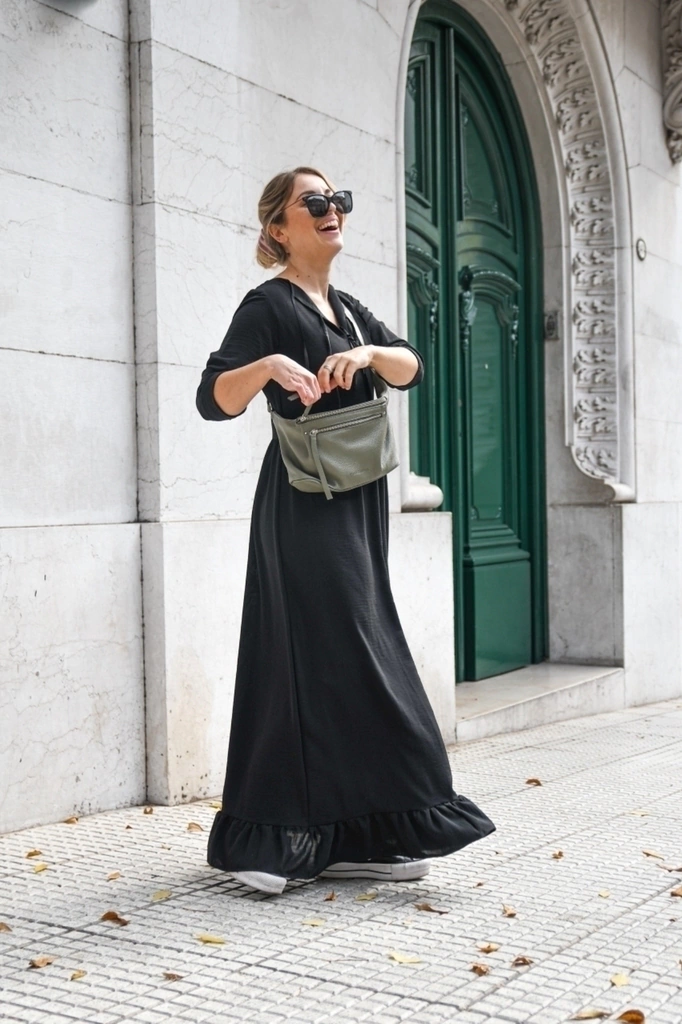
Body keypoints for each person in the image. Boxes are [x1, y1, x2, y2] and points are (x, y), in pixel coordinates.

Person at [195, 166, 495, 895]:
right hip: (303, 504)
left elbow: (410, 366)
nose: (333, 210)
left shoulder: (348, 311)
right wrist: (268, 365)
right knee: (326, 653)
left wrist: (365, 355)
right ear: (278, 228)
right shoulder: (267, 304)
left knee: (342, 656)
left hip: (358, 500)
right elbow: (213, 398)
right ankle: (272, 837)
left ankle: (356, 835)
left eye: (338, 200)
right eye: (315, 202)